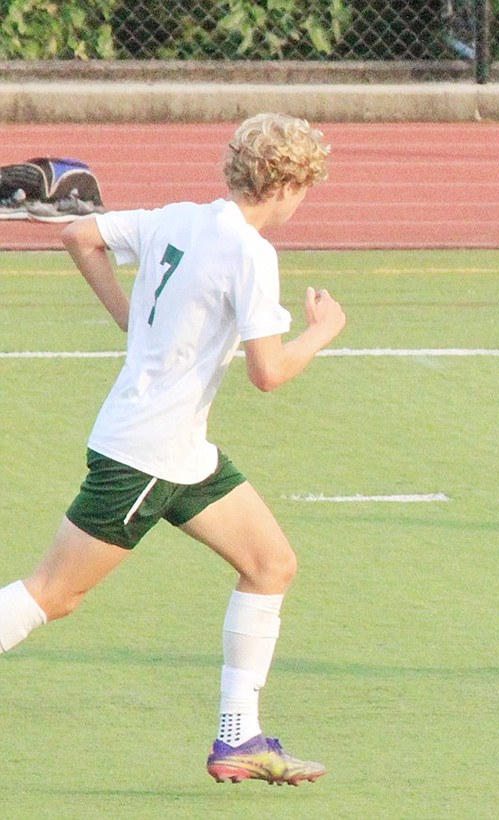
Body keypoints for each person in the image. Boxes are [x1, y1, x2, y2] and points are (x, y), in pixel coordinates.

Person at [0, 113, 346, 782]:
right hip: (146, 456)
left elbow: (80, 234)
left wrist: (127, 319)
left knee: (271, 564)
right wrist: (323, 330)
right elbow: (268, 373)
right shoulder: (250, 252)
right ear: (289, 184)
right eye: (307, 187)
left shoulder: (178, 217)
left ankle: (238, 740)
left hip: (181, 452)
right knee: (52, 594)